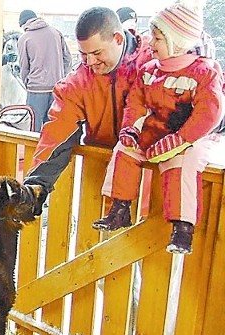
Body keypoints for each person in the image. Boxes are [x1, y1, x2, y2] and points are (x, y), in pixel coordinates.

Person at [92, 3, 224, 254]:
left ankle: (182, 226)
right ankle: (120, 207)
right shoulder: (149, 70)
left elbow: (210, 112)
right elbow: (137, 103)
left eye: (158, 38)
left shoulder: (203, 72)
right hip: (159, 128)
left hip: (192, 135)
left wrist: (181, 139)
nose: (150, 42)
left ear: (177, 41)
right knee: (125, 150)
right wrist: (130, 129)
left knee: (182, 164)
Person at [22, 7, 153, 214]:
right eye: (84, 54)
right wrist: (35, 186)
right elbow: (58, 131)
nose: (90, 62)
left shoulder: (155, 64)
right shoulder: (79, 82)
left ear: (117, 39)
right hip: (100, 176)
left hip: (149, 178)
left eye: (96, 53)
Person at [17, 10, 72, 132]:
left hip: (36, 90)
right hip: (56, 89)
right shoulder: (56, 33)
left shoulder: (24, 38)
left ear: (23, 23)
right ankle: (51, 152)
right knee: (52, 128)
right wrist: (62, 78)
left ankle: (33, 151)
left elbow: (24, 67)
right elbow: (68, 58)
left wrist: (28, 83)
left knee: (33, 129)